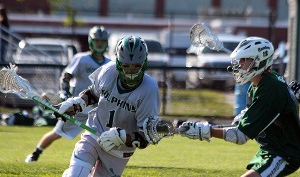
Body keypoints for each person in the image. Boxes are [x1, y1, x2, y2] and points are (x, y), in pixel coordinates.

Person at [180, 37, 300, 176]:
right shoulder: (261, 84)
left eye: (245, 60)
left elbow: (240, 136)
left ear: (259, 61)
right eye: (240, 60)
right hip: (270, 148)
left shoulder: (270, 89)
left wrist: (206, 131)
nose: (239, 65)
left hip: (285, 152)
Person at [58, 36, 160, 176]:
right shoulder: (108, 71)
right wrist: (78, 104)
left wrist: (123, 137)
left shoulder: (149, 89)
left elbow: (146, 136)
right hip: (94, 133)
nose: (130, 71)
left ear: (144, 63)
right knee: (76, 173)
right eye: (126, 65)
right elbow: (93, 94)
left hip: (119, 151)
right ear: (118, 62)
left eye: (136, 66)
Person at [25, 26, 111, 163]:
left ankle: (102, 162)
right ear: (90, 42)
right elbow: (66, 76)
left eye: (102, 41)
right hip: (77, 107)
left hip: (97, 110)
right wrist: (64, 92)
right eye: (96, 41)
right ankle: (36, 153)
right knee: (57, 133)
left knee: (104, 136)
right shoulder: (81, 58)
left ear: (106, 43)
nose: (99, 44)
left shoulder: (109, 64)